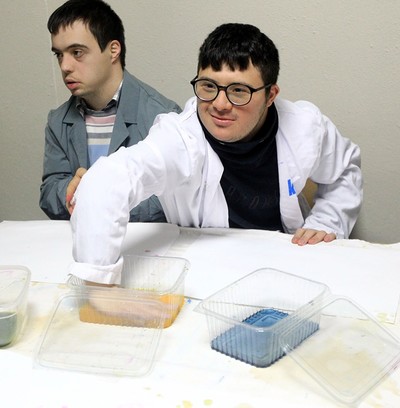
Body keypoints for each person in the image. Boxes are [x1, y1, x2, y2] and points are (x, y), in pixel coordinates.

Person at [69, 23, 363, 285]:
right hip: (206, 271)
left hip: (287, 262)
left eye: (238, 91)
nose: (220, 104)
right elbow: (109, 180)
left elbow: (344, 171)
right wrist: (99, 291)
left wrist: (325, 222)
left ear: (271, 95)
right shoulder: (179, 137)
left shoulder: (304, 127)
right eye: (208, 86)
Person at [39, 0, 181, 222]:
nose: (65, 66)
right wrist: (70, 189)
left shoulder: (162, 116)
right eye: (59, 54)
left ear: (113, 50)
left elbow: (174, 198)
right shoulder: (58, 121)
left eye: (77, 52)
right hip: (83, 247)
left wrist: (103, 200)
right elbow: (49, 193)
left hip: (145, 249)